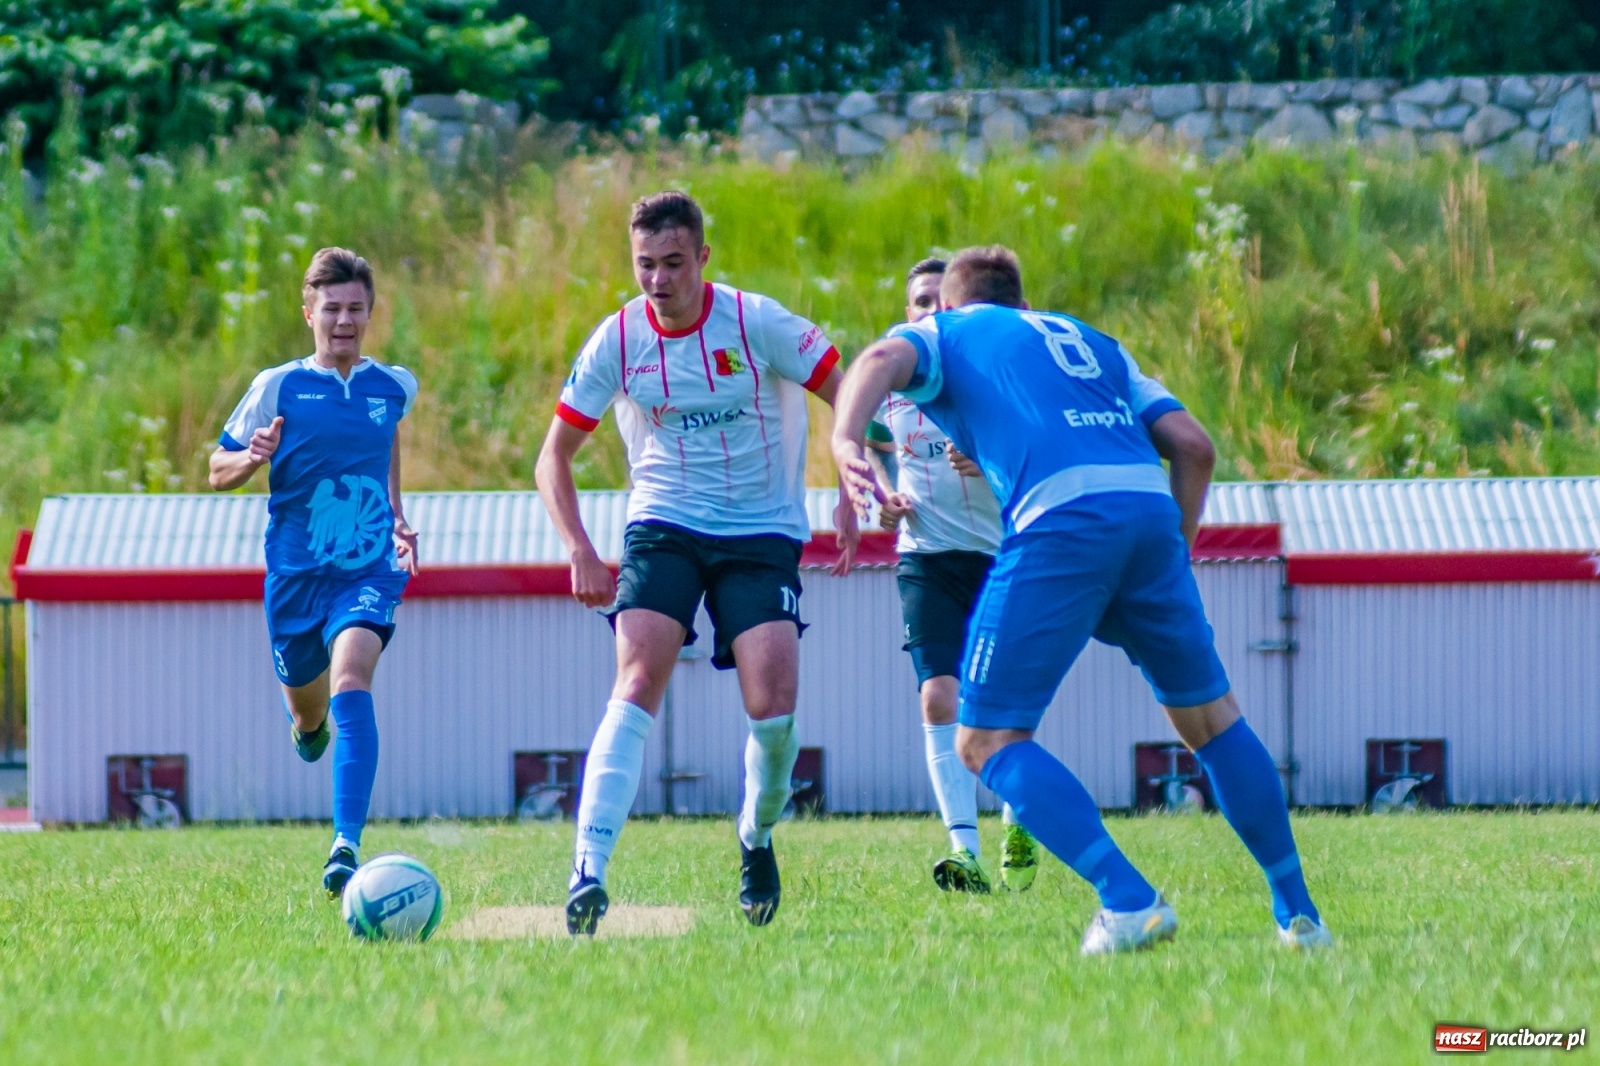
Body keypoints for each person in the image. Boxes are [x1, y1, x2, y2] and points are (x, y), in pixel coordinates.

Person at [831, 245, 1331, 954]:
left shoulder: (948, 332)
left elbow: (880, 359)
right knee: (1213, 722)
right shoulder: (1094, 342)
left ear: (947, 304)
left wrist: (844, 438)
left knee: (984, 740)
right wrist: (1167, 559)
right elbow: (1194, 446)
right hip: (1149, 514)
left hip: (1060, 519)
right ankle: (1299, 915)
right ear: (1025, 304)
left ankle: (1128, 899)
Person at [536, 190, 859, 935]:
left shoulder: (757, 322)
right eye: (644, 264)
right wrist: (580, 548)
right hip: (664, 521)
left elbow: (845, 393)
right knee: (638, 674)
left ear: (703, 259)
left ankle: (756, 836)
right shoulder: (617, 338)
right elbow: (552, 457)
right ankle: (588, 869)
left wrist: (849, 489)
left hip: (760, 528)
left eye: (673, 264)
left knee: (772, 707)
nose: (658, 280)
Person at [209, 247, 420, 897]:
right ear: (310, 314)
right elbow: (216, 472)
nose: (345, 321)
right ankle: (309, 727)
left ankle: (345, 845)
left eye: (356, 308)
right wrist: (251, 457)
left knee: (352, 676)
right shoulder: (278, 386)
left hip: (368, 566)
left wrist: (399, 518)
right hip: (295, 578)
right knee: (309, 717)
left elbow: (386, 454)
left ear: (370, 312)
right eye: (332, 309)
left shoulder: (394, 387)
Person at [864, 257, 1039, 894]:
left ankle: (1019, 819)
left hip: (1006, 554)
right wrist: (879, 495)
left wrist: (992, 460)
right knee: (939, 696)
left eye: (943, 301)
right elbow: (865, 442)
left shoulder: (998, 367)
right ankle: (962, 850)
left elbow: (1045, 448)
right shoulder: (892, 370)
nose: (931, 312)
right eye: (920, 302)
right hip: (928, 555)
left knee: (1003, 710)